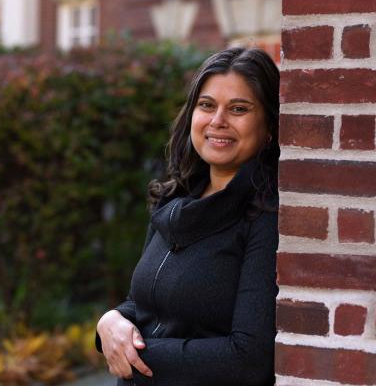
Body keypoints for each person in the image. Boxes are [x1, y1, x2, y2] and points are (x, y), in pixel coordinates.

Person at [95, 47, 280, 385]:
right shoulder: (172, 201)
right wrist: (110, 321)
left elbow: (248, 358)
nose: (217, 120)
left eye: (239, 109)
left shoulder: (265, 216)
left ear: (268, 126)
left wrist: (136, 354)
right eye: (207, 105)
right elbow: (147, 303)